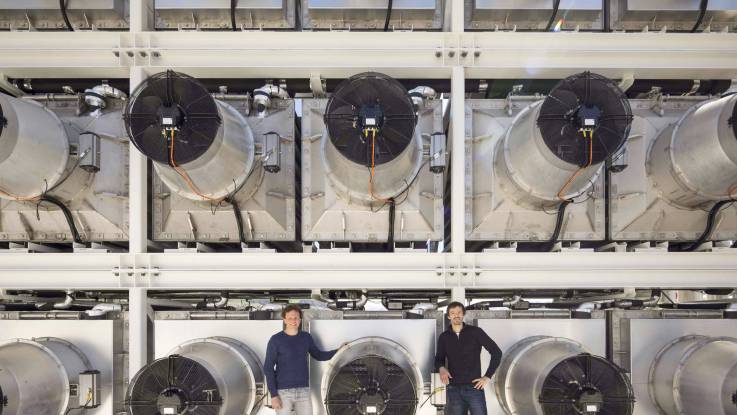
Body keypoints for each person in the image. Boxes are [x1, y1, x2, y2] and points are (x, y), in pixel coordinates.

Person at [264, 304, 345, 415]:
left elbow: (319, 355)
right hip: (283, 392)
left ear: (300, 319)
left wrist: (339, 351)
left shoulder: (306, 337)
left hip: (303, 391)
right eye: (290, 318)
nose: (293, 321)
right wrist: (273, 395)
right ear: (284, 320)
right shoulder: (276, 340)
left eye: (296, 318)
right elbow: (268, 368)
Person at [434, 301, 502, 415]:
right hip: (453, 389)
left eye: (459, 312)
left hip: (474, 388)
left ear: (463, 314)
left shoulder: (476, 332)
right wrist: (441, 368)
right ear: (449, 316)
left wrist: (487, 377)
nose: (456, 315)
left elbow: (496, 352)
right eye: (453, 313)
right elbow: (438, 359)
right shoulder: (444, 337)